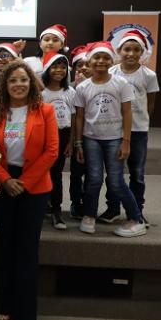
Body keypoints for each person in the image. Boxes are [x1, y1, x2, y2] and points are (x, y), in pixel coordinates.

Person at [0, 60, 58, 320]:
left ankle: (26, 314)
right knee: (7, 245)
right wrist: (5, 179)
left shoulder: (46, 111)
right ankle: (4, 303)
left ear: (31, 83)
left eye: (23, 80)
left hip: (35, 186)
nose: (18, 84)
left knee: (27, 250)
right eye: (13, 80)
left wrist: (24, 183)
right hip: (4, 184)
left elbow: (51, 152)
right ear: (5, 85)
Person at [74, 42, 147, 238]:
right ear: (89, 61)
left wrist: (126, 141)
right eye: (96, 57)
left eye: (105, 57)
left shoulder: (121, 84)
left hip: (115, 139)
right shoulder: (82, 87)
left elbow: (127, 112)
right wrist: (78, 143)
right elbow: (79, 117)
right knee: (93, 179)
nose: (101, 61)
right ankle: (89, 215)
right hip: (91, 140)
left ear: (112, 60)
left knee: (116, 181)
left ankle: (136, 218)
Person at [103, 30, 159, 226]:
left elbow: (150, 103)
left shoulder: (149, 75)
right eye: (127, 49)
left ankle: (137, 210)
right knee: (114, 173)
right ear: (119, 50)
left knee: (137, 173)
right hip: (115, 130)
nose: (131, 54)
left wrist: (140, 120)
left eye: (136, 50)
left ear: (142, 52)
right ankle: (112, 208)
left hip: (138, 131)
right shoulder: (111, 73)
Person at [41, 53, 76, 230]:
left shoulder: (70, 92)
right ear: (47, 69)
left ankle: (56, 211)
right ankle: (41, 208)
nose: (59, 71)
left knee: (56, 174)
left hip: (62, 136)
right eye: (55, 67)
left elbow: (73, 118)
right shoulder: (41, 93)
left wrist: (71, 142)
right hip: (44, 137)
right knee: (41, 172)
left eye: (63, 67)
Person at [68, 44, 91, 219]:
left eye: (87, 64)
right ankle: (76, 203)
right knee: (76, 173)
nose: (83, 68)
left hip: (94, 136)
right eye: (79, 65)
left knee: (93, 174)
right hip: (76, 136)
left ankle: (89, 204)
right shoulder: (69, 87)